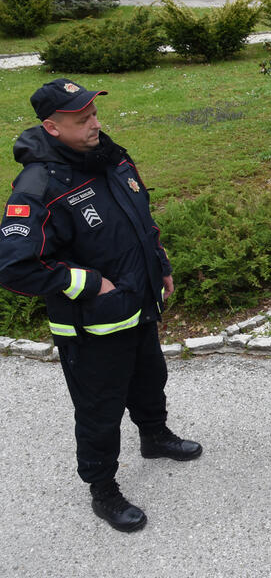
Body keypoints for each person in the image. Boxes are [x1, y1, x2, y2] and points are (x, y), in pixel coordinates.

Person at [0, 79, 202, 532]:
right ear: (52, 127)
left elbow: (140, 217)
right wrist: (89, 284)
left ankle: (154, 436)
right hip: (92, 327)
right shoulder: (38, 186)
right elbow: (14, 266)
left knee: (151, 377)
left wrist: (160, 262)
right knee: (99, 409)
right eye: (82, 118)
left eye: (94, 113)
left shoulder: (109, 155)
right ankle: (103, 490)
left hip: (139, 302)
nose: (95, 123)